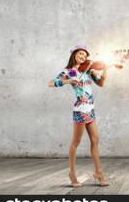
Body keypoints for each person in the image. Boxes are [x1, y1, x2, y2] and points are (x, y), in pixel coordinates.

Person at [47, 45, 111, 187]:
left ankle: (98, 173)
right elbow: (50, 83)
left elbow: (100, 83)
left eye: (85, 55)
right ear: (74, 55)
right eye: (80, 54)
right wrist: (68, 81)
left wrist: (105, 70)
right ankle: (72, 173)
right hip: (80, 110)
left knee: (95, 140)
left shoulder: (87, 70)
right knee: (76, 142)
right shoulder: (69, 72)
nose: (83, 57)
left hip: (90, 109)